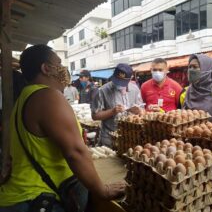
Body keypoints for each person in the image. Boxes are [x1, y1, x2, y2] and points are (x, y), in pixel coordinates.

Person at [0, 45, 125, 212]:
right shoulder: (47, 96)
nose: (63, 69)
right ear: (46, 68)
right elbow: (75, 152)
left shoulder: (26, 96)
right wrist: (102, 190)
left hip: (20, 197)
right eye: (58, 63)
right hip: (36, 198)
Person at [91, 63, 143, 148]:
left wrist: (139, 111)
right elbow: (95, 116)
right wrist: (112, 111)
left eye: (123, 82)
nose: (119, 84)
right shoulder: (102, 91)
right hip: (109, 139)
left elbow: (142, 111)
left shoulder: (135, 89)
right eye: (117, 80)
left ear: (130, 79)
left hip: (130, 138)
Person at [180, 54, 212, 120]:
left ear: (207, 70)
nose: (191, 70)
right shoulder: (185, 93)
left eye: (195, 67)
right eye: (189, 67)